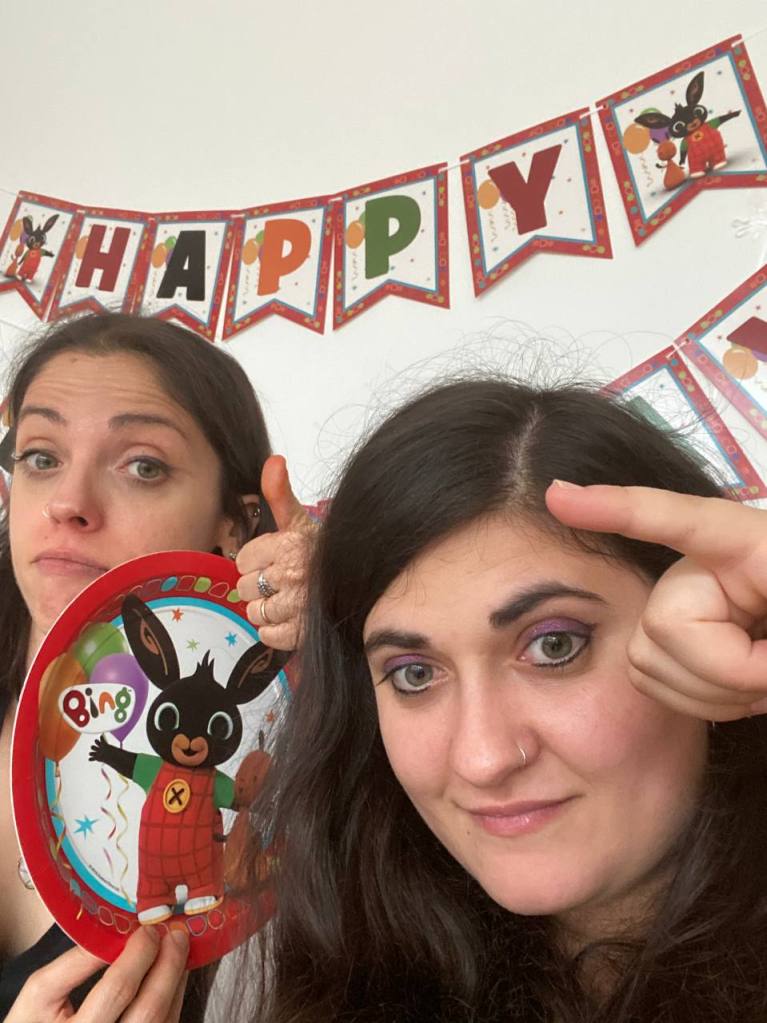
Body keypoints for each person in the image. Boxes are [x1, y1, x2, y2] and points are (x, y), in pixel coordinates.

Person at [238, 377, 767, 1022]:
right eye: (414, 674)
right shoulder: (348, 980)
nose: (483, 759)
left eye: (553, 646)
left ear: (720, 628)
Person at [0, 312, 313, 1023]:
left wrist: (359, 617)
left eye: (143, 466)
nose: (68, 503)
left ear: (235, 524)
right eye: (40, 456)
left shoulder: (299, 747)